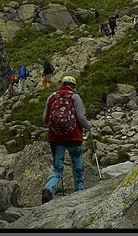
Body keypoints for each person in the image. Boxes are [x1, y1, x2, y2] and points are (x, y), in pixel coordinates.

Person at [41, 75, 93, 203]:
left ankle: (49, 189)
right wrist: (89, 126)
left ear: (62, 84)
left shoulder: (52, 97)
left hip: (55, 139)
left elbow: (45, 119)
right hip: (74, 137)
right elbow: (81, 117)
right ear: (73, 86)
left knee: (58, 169)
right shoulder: (75, 97)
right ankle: (80, 195)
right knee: (78, 168)